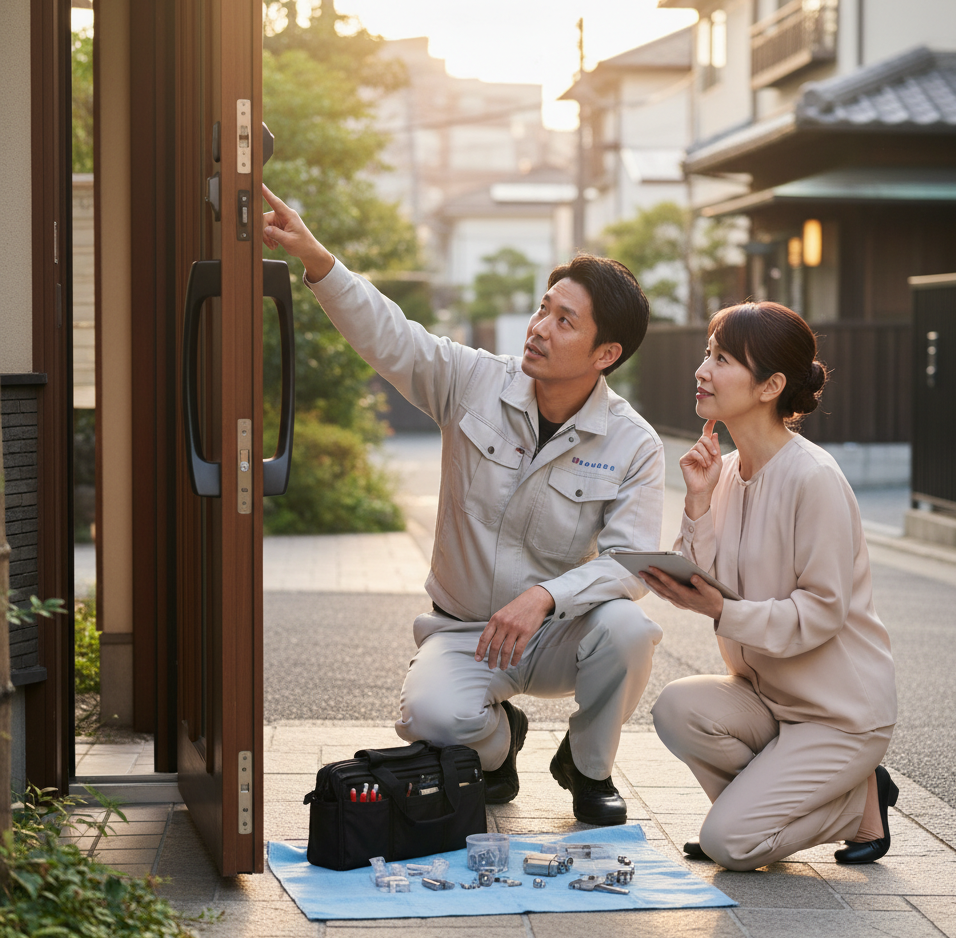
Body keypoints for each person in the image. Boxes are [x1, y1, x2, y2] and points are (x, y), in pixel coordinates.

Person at [262, 185, 664, 825]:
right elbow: (391, 336)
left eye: (565, 321)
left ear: (605, 354)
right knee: (428, 717)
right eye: (542, 309)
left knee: (630, 630)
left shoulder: (633, 443)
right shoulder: (475, 382)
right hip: (465, 629)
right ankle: (499, 745)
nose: (538, 329)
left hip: (556, 631)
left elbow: (631, 564)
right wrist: (315, 257)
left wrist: (546, 598)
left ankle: (588, 770)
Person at [644, 302, 898, 871]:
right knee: (677, 707)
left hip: (838, 713)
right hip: (767, 697)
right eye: (707, 354)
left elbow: (821, 614)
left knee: (731, 845)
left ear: (771, 386)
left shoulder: (814, 478)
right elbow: (706, 581)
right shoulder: (728, 472)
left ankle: (860, 802)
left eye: (722, 358)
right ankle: (756, 810)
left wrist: (724, 613)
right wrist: (699, 500)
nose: (702, 370)